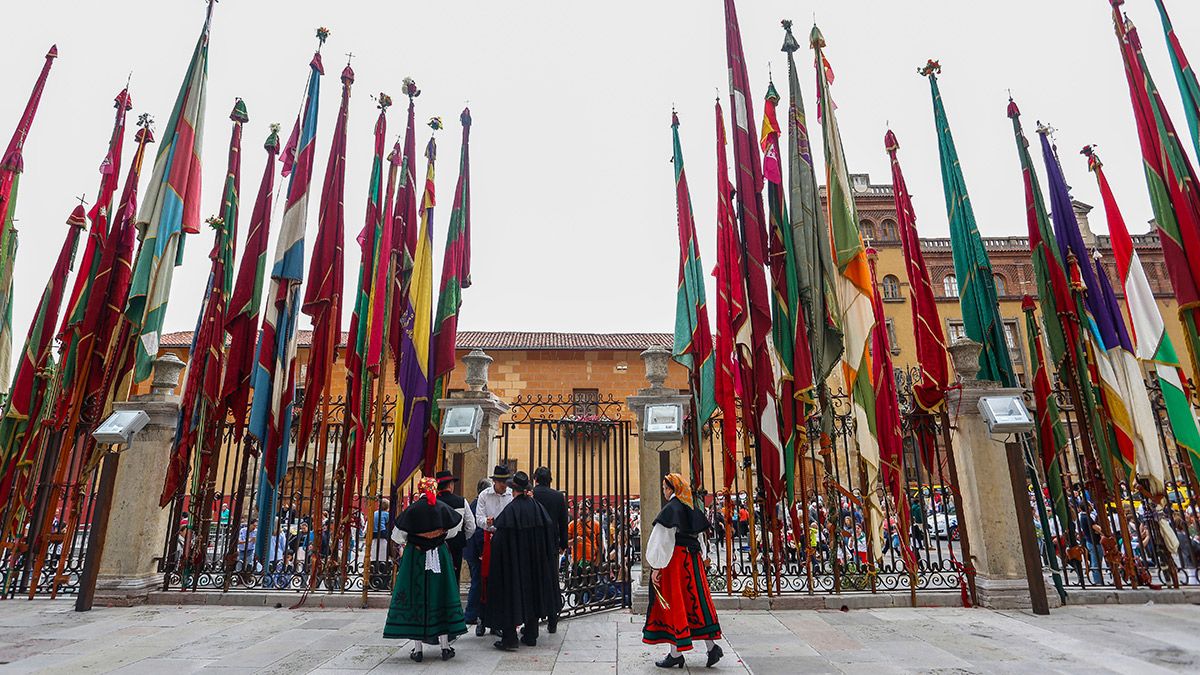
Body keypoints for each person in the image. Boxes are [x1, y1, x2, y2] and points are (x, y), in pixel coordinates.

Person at [643, 473, 722, 669]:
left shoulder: (671, 509)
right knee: (696, 602)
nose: (664, 491)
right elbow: (700, 538)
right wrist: (702, 558)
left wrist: (655, 566)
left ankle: (675, 654)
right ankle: (712, 648)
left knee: (674, 601)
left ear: (671, 489)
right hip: (693, 561)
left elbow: (662, 540)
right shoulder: (690, 507)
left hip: (676, 562)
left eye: (665, 488)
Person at [383, 478, 467, 662]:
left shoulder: (412, 510)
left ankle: (418, 649)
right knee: (441, 594)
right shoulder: (442, 507)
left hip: (416, 556)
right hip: (439, 555)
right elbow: (454, 530)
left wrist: (417, 538)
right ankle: (445, 647)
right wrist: (437, 535)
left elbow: (398, 536)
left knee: (416, 596)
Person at [483, 471, 560, 651]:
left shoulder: (511, 510)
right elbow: (547, 535)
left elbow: (500, 540)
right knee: (532, 594)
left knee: (511, 596)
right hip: (535, 565)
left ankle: (510, 638)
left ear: (513, 489)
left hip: (513, 565)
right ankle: (531, 635)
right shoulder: (537, 508)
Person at [473, 465, 515, 636]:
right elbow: (478, 518)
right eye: (501, 482)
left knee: (501, 582)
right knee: (485, 581)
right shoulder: (484, 495)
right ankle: (481, 619)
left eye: (506, 481)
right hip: (488, 540)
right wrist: (486, 523)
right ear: (495, 481)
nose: (504, 485)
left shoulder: (511, 495)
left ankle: (497, 622)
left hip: (505, 539)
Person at [532, 466, 568, 633]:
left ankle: (533, 620)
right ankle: (553, 619)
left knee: (533, 581)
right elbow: (563, 523)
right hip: (551, 545)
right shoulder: (558, 497)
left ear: (535, 479)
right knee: (552, 581)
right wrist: (563, 545)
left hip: (532, 544)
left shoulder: (531, 494)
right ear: (550, 480)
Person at [435, 470, 476, 580]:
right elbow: (471, 526)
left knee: (437, 576)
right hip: (456, 544)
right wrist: (462, 537)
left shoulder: (433, 502)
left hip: (435, 544)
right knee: (454, 576)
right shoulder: (461, 501)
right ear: (450, 485)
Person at [463, 478, 492, 628]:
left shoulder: (473, 503)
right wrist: (482, 550)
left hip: (470, 550)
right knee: (477, 582)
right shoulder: (480, 505)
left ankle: (473, 612)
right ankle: (471, 613)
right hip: (477, 551)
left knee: (477, 581)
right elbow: (479, 530)